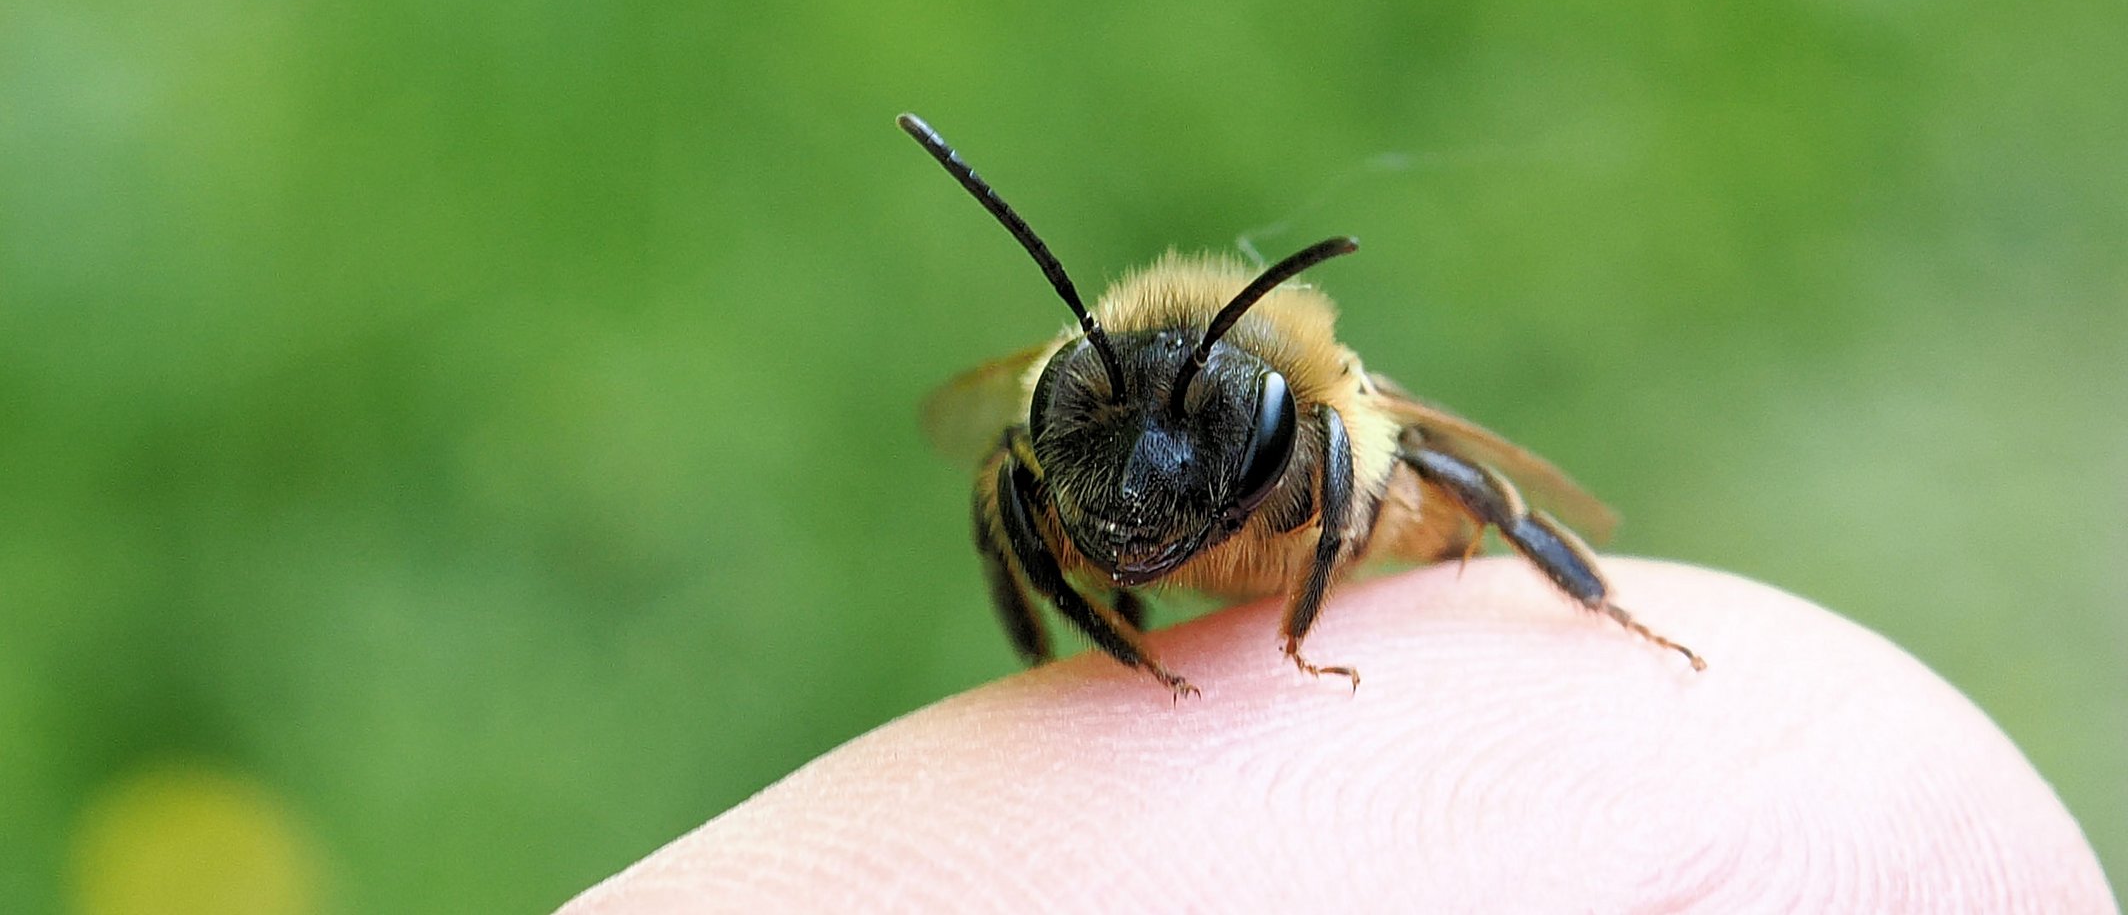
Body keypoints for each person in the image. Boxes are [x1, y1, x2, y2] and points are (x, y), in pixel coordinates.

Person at [560, 559, 2115, 912]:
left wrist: (1296, 634)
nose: (1150, 468)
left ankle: (1606, 616)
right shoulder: (1089, 429)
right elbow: (997, 482)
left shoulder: (1318, 426)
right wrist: (1085, 656)